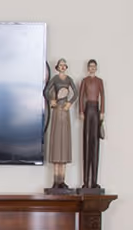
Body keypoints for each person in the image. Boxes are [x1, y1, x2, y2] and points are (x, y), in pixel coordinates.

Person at [43, 59, 76, 191]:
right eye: (60, 65)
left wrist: (70, 103)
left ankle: (63, 180)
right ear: (57, 67)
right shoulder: (55, 79)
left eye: (64, 65)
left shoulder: (69, 79)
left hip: (65, 111)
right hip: (57, 111)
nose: (62, 67)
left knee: (64, 145)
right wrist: (52, 100)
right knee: (57, 145)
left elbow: (76, 93)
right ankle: (56, 180)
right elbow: (46, 91)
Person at [77, 59, 105, 192]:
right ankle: (86, 181)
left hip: (96, 109)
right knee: (87, 142)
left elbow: (103, 96)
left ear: (96, 68)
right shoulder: (84, 81)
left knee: (95, 143)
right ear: (88, 68)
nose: (92, 68)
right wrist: (81, 111)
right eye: (90, 66)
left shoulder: (99, 81)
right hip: (88, 109)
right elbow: (81, 96)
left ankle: (94, 181)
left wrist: (103, 111)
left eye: (94, 66)